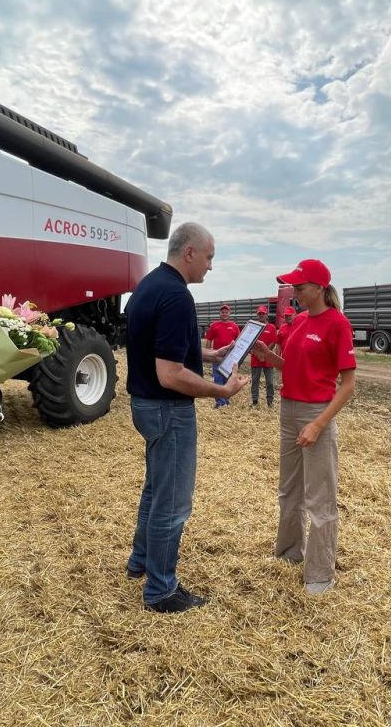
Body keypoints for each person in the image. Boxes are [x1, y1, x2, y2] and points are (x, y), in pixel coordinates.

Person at [125, 222, 248, 612]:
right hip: (167, 408)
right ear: (190, 252)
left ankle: (141, 561)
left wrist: (209, 356)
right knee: (172, 502)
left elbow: (158, 348)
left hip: (145, 404)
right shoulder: (177, 297)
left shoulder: (149, 285)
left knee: (154, 489)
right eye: (209, 257)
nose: (211, 266)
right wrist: (220, 389)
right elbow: (171, 373)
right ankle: (161, 590)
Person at [252, 259, 356, 594]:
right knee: (289, 490)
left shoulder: (337, 324)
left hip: (316, 412)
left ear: (319, 288)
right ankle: (288, 554)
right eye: (294, 287)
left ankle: (320, 574)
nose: (294, 292)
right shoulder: (297, 322)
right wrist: (269, 356)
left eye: (300, 287)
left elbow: (348, 385)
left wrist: (318, 424)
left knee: (320, 498)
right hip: (289, 408)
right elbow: (293, 368)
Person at [205, 304, 240, 407]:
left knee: (228, 379)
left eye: (226, 312)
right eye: (222, 312)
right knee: (217, 378)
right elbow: (209, 340)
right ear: (220, 313)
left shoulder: (234, 326)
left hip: (230, 357)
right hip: (217, 356)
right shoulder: (214, 325)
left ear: (229, 314)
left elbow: (239, 341)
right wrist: (209, 353)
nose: (224, 314)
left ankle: (226, 399)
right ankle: (220, 402)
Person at [249, 305, 277, 408]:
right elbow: (250, 343)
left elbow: (273, 342)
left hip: (268, 359)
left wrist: (264, 354)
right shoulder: (253, 327)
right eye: (259, 314)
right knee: (255, 381)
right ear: (257, 315)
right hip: (255, 359)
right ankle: (255, 401)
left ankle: (270, 402)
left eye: (263, 313)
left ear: (266, 315)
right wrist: (257, 354)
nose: (261, 315)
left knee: (269, 382)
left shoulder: (271, 327)